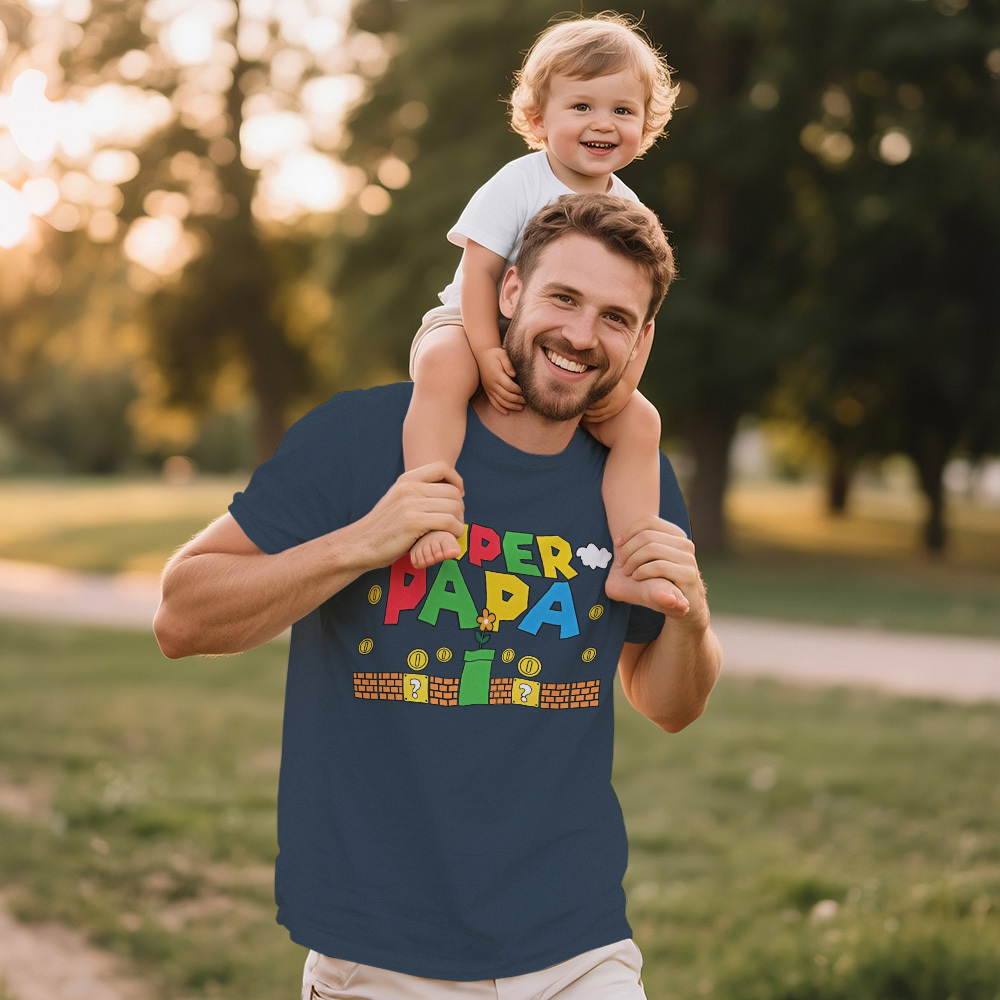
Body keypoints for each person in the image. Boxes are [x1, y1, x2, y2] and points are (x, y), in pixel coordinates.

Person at [153, 194, 722, 1000]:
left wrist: (690, 619)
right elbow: (181, 615)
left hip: (576, 946)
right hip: (380, 953)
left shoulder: (633, 480)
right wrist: (363, 542)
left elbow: (669, 704)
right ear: (510, 292)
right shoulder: (361, 439)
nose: (583, 337)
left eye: (616, 317)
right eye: (564, 298)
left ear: (643, 339)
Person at [404, 12, 680, 577]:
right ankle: (428, 508)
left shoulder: (633, 213)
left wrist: (624, 383)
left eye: (622, 111)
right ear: (538, 117)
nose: (602, 123)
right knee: (443, 366)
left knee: (641, 423)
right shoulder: (518, 182)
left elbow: (642, 315)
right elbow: (480, 275)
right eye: (582, 106)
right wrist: (486, 352)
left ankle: (635, 558)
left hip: (568, 350)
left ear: (645, 126)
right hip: (471, 322)